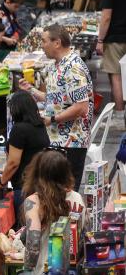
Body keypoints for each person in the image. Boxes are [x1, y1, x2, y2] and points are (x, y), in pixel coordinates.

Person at [18, 24, 93, 188]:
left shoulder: (73, 67)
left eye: (44, 41)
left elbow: (81, 107)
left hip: (71, 143)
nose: (42, 45)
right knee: (53, 191)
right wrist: (30, 89)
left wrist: (52, 119)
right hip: (57, 140)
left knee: (66, 192)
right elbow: (55, 99)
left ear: (57, 43)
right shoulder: (55, 65)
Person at [0, 90, 49, 215]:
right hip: (40, 184)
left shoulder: (19, 129)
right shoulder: (39, 126)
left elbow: (13, 163)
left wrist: (1, 182)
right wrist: (5, 175)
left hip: (24, 187)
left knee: (24, 223)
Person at [21, 150, 86, 270]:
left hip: (47, 273)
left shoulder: (34, 201)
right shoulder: (78, 198)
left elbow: (33, 244)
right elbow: (85, 234)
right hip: (73, 271)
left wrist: (27, 271)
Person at [99, 0, 126, 113]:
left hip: (114, 39)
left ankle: (120, 114)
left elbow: (106, 18)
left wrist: (100, 40)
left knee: (116, 76)